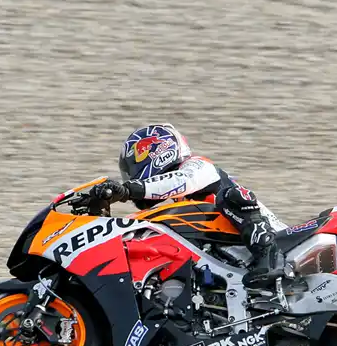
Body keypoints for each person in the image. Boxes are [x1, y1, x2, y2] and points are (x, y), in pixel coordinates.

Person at [90, 123, 289, 289]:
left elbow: (179, 181)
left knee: (232, 197)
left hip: (281, 240)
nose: (131, 175)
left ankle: (268, 254)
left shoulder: (198, 167)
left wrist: (127, 190)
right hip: (234, 257)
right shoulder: (183, 204)